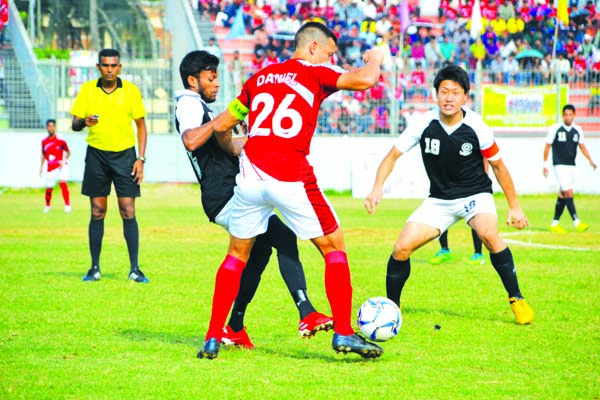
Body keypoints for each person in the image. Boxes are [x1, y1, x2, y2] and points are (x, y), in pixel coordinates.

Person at [193, 22, 385, 360]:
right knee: (333, 246)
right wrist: (375, 59)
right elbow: (366, 80)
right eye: (329, 52)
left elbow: (223, 125)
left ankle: (212, 338)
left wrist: (238, 147)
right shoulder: (315, 73)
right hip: (290, 175)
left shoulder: (258, 78)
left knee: (236, 255)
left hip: (250, 177)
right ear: (313, 48)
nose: (331, 59)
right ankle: (343, 332)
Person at [175, 50, 333, 349]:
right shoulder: (188, 103)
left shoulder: (197, 105)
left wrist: (252, 139)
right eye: (211, 78)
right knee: (284, 239)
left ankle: (233, 328)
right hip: (223, 195)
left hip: (225, 192)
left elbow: (224, 147)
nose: (217, 84)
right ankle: (306, 311)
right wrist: (221, 121)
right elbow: (191, 140)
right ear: (192, 80)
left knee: (260, 254)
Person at [364, 64, 534, 326]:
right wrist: (376, 188)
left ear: (465, 96)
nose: (449, 98)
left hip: (475, 195)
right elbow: (392, 155)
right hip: (439, 201)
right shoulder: (424, 122)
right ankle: (391, 310)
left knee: (489, 234)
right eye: (444, 91)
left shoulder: (477, 125)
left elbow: (498, 166)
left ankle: (517, 298)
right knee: (401, 248)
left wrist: (515, 207)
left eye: (455, 92)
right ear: (436, 94)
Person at [71, 48, 149, 284]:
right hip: (96, 155)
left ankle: (135, 269)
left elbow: (142, 126)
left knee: (128, 210)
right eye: (105, 65)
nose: (109, 69)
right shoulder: (87, 90)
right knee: (97, 211)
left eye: (114, 65)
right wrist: (84, 122)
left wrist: (141, 159)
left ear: (119, 67)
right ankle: (94, 268)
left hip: (125, 156)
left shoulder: (131, 91)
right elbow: (74, 124)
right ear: (98, 67)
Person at [543, 104, 597, 234]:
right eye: (565, 115)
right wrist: (545, 165)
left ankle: (554, 223)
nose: (567, 117)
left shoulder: (577, 130)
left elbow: (582, 146)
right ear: (563, 115)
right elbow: (547, 146)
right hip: (559, 165)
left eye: (570, 114)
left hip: (571, 166)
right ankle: (576, 222)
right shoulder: (555, 128)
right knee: (569, 192)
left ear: (574, 115)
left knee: (563, 194)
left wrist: (590, 160)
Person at [40, 119, 71, 213]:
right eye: (49, 126)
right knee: (49, 187)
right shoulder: (44, 142)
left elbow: (68, 152)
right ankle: (47, 206)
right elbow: (43, 155)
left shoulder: (61, 141)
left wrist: (64, 160)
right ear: (47, 128)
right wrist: (41, 167)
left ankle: (67, 205)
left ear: (55, 127)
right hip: (51, 167)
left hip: (61, 165)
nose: (51, 128)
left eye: (52, 126)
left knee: (62, 182)